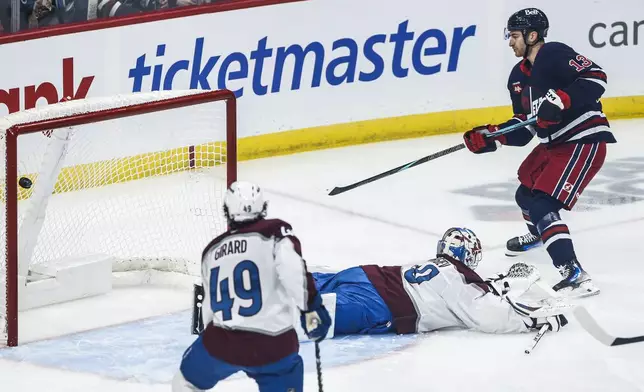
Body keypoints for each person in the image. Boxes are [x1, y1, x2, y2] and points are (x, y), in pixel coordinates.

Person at [461, 8, 616, 298]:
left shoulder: (554, 54)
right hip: (553, 144)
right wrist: (491, 136)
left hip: (583, 140)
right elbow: (524, 129)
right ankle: (540, 234)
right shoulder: (517, 77)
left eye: (515, 36)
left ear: (533, 36)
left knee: (544, 205)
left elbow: (597, 77)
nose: (510, 43)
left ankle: (574, 273)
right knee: (524, 196)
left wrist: (561, 100)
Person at [173, 181, 332, 392]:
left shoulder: (211, 251)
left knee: (185, 382)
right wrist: (312, 308)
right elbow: (293, 271)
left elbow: (208, 311)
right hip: (273, 346)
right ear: (263, 207)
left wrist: (212, 341)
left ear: (226, 210)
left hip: (222, 344)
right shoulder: (275, 231)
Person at [312, 227, 567, 336]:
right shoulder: (460, 278)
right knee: (302, 316)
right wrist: (531, 321)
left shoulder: (433, 264)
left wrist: (499, 285)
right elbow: (486, 315)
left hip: (362, 274)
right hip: (379, 303)